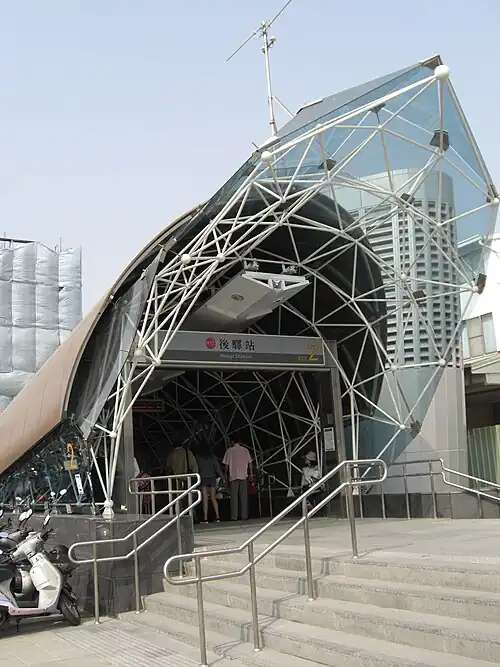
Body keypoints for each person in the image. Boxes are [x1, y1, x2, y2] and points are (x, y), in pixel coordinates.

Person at [222, 441, 253, 521]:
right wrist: (251, 474)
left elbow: (226, 465)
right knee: (244, 497)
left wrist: (225, 474)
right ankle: (244, 516)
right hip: (243, 475)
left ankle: (234, 516)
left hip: (233, 476)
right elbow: (250, 463)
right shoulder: (245, 450)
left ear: (232, 442)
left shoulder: (229, 451)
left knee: (234, 497)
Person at [196, 446, 223, 524]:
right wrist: (222, 477)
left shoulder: (199, 458)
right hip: (212, 478)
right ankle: (218, 517)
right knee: (213, 498)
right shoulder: (212, 457)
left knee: (205, 499)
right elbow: (217, 468)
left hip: (203, 478)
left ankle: (205, 519)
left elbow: (197, 469)